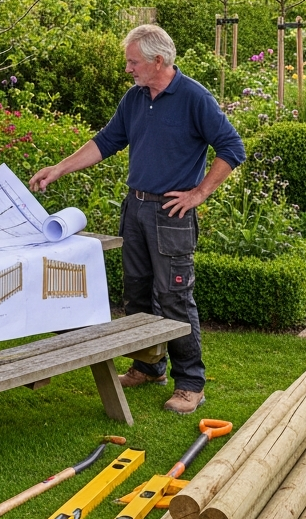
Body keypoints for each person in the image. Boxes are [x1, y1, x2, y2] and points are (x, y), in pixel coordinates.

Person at [28, 24, 244, 414]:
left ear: (157, 61)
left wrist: (199, 194)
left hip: (170, 214)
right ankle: (149, 366)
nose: (128, 69)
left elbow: (232, 147)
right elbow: (106, 141)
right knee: (137, 294)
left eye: (133, 61)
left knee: (175, 298)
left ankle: (191, 382)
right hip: (136, 208)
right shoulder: (135, 98)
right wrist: (59, 168)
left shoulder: (194, 98)